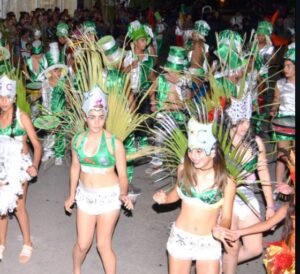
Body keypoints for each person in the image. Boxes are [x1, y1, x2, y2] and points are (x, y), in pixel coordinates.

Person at [153, 115, 236, 274]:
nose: (193, 156)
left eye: (199, 151)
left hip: (209, 241)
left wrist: (221, 228)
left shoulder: (227, 182)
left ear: (213, 152)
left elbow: (226, 217)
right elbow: (177, 194)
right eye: (191, 150)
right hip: (181, 237)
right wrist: (164, 199)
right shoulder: (184, 170)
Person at [64, 86, 133, 274]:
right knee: (82, 244)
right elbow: (75, 168)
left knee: (103, 245)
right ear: (85, 117)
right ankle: (76, 269)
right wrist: (72, 195)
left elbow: (123, 176)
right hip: (85, 196)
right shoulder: (77, 141)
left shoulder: (114, 143)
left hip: (109, 197)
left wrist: (124, 193)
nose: (96, 122)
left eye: (101, 117)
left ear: (106, 117)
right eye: (92, 117)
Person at [222, 89, 275, 274]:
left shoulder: (255, 141)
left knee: (255, 249)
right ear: (231, 121)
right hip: (225, 199)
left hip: (248, 196)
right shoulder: (221, 143)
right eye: (240, 122)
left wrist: (270, 207)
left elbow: (264, 173)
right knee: (232, 246)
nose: (245, 126)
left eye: (247, 121)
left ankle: (215, 267)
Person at [0, 75, 42, 263]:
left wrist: (34, 166)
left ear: (14, 98)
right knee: (1, 205)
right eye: (0, 97)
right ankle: (1, 243)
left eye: (7, 97)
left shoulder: (22, 117)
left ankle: (27, 242)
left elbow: (37, 145)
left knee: (18, 207)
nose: (3, 102)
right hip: (2, 165)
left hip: (20, 166)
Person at [270, 47, 295, 183]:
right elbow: (276, 100)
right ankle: (279, 184)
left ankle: (292, 185)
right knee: (282, 155)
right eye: (284, 66)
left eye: (289, 66)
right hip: (284, 123)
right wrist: (273, 110)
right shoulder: (280, 83)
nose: (285, 69)